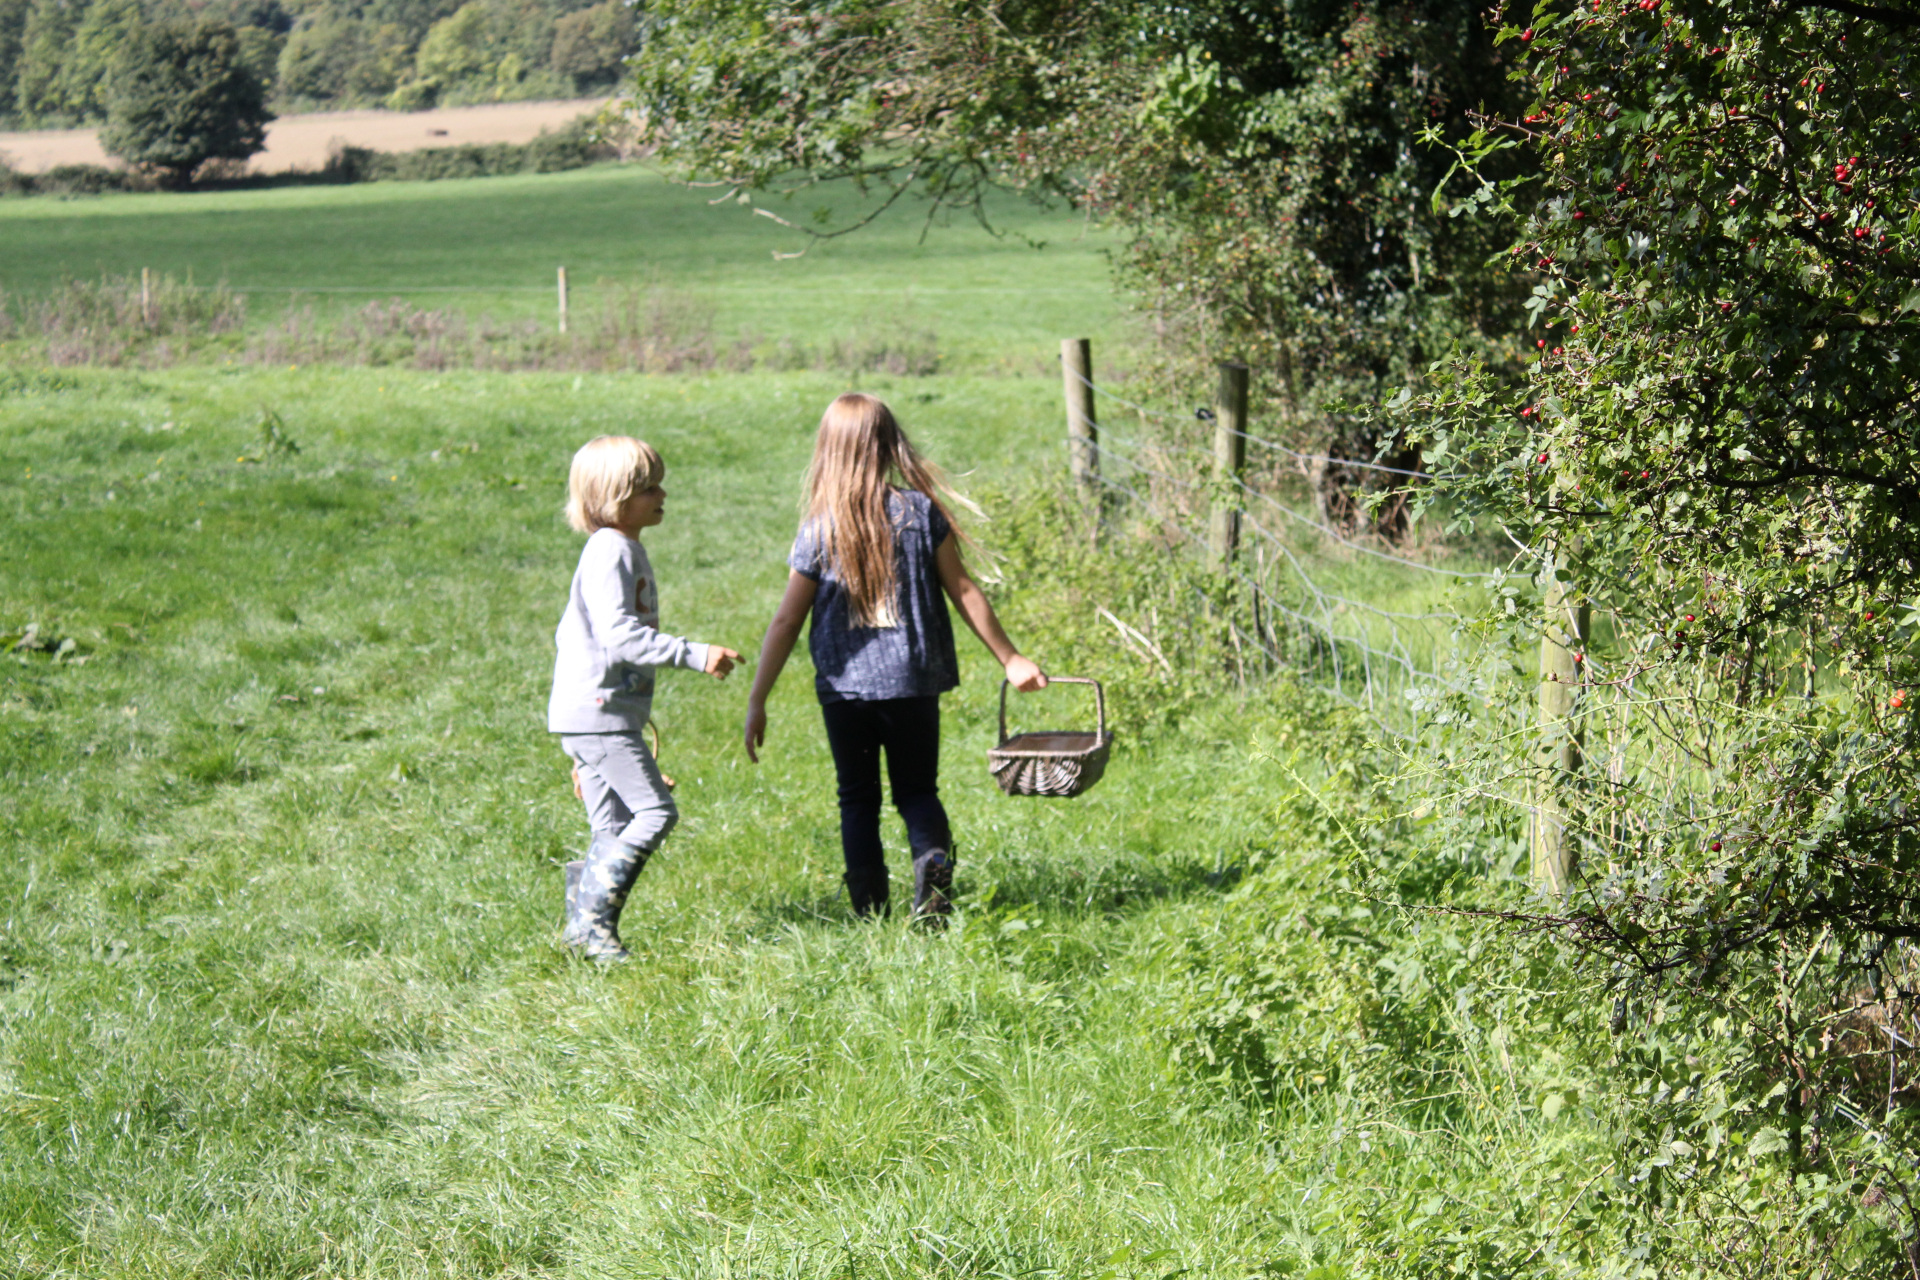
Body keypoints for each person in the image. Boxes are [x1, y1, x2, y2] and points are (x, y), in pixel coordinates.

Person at [743, 393, 1045, 920]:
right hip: (912, 682)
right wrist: (1011, 659)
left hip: (846, 691)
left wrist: (758, 697)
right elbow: (965, 590)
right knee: (917, 790)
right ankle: (931, 871)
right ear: (888, 446)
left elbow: (787, 620)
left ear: (827, 451)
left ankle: (870, 910)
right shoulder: (920, 513)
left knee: (857, 798)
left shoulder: (819, 528)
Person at [548, 436, 740, 961]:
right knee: (656, 813)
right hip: (600, 714)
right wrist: (695, 653)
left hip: (597, 715)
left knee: (610, 825)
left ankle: (580, 936)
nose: (662, 494)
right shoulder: (611, 550)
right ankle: (594, 928)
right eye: (648, 487)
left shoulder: (621, 548)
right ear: (614, 497)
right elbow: (620, 635)